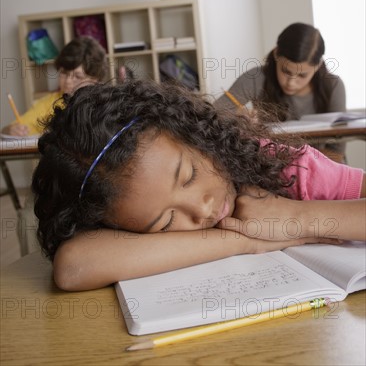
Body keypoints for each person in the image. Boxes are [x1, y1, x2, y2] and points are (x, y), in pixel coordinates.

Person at [31, 79, 365, 292]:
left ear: (193, 133)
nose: (202, 208)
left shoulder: (289, 167)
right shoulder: (127, 210)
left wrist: (295, 218)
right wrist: (243, 240)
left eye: (189, 174)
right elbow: (73, 266)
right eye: (165, 223)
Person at [214, 22, 346, 160]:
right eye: (285, 71)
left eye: (302, 75)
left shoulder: (333, 86)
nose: (291, 82)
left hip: (323, 167)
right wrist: (240, 123)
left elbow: (336, 152)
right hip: (272, 165)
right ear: (276, 53)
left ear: (317, 65)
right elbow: (212, 116)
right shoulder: (255, 78)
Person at [2, 36, 108, 136]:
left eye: (77, 76)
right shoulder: (49, 102)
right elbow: (11, 128)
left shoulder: (106, 104)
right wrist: (10, 130)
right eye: (64, 73)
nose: (68, 81)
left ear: (96, 80)